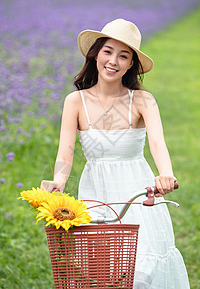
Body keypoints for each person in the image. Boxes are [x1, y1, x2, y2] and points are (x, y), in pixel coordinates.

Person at [41, 19, 190, 288]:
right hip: (96, 191)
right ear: (96, 53)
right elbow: (66, 151)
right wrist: (58, 183)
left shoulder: (143, 100)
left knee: (142, 268)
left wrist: (165, 174)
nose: (113, 61)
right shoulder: (75, 101)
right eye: (108, 51)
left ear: (131, 63)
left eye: (124, 56)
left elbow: (157, 143)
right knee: (100, 270)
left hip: (138, 190)